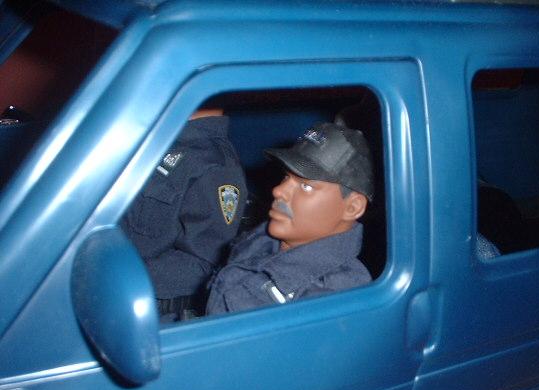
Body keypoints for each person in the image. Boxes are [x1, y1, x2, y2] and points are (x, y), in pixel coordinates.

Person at [206, 121, 373, 315]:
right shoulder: (259, 242)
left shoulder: (335, 299)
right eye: (286, 177)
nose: (278, 191)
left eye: (306, 186)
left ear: (352, 207)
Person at [122, 108, 246, 319]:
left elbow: (203, 261)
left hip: (146, 304)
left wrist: (121, 274)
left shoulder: (215, 164)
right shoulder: (158, 141)